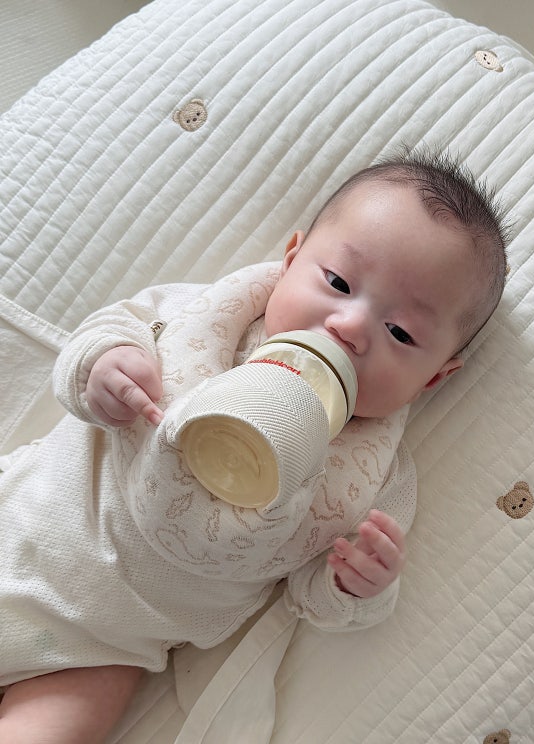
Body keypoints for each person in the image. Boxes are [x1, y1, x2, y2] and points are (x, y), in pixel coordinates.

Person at [0, 147, 508, 743]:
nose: (349, 327)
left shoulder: (378, 480)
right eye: (338, 283)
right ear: (291, 260)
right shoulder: (202, 320)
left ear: (434, 378)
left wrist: (358, 586)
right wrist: (104, 367)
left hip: (99, 649)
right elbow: (106, 331)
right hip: (24, 523)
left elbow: (313, 597)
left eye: (400, 332)